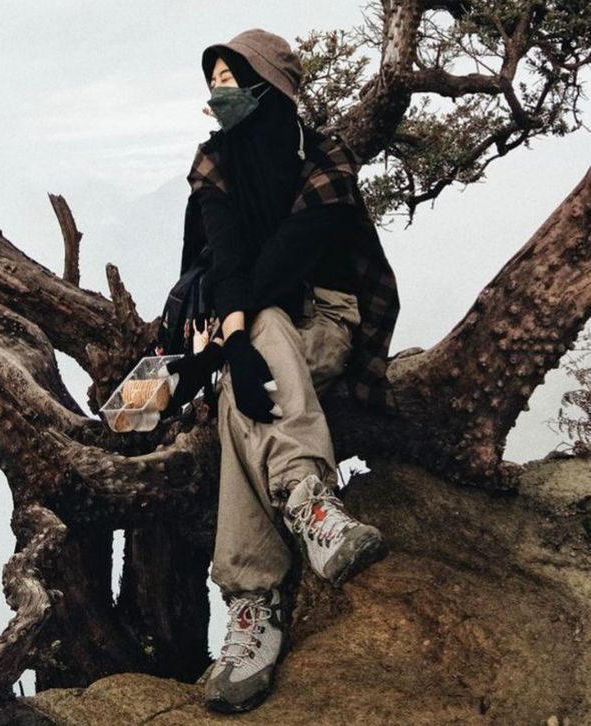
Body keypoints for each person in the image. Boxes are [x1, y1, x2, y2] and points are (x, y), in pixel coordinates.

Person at [164, 28, 400, 714]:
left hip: (324, 317)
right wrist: (235, 342)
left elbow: (283, 260)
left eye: (229, 81)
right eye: (213, 83)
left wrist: (230, 344)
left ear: (268, 87)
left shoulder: (323, 159)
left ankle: (254, 605)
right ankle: (309, 503)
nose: (218, 95)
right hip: (257, 320)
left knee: (247, 378)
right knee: (250, 373)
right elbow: (227, 258)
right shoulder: (214, 163)